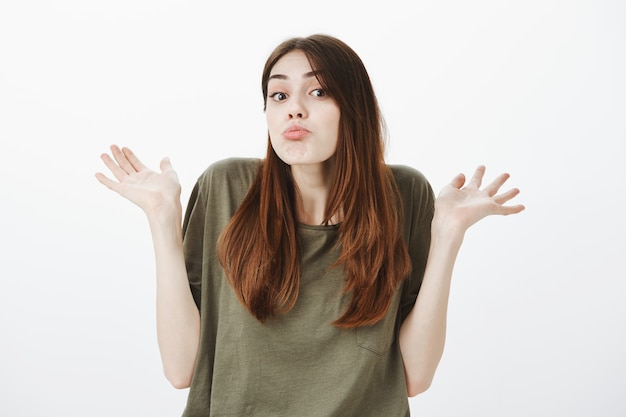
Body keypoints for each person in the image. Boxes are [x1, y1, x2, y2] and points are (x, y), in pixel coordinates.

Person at [96, 34, 524, 416]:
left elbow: (415, 377)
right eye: (278, 95)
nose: (294, 109)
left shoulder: (404, 195)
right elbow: (180, 369)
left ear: (353, 108)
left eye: (318, 91)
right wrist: (161, 217)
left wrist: (448, 234)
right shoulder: (227, 187)